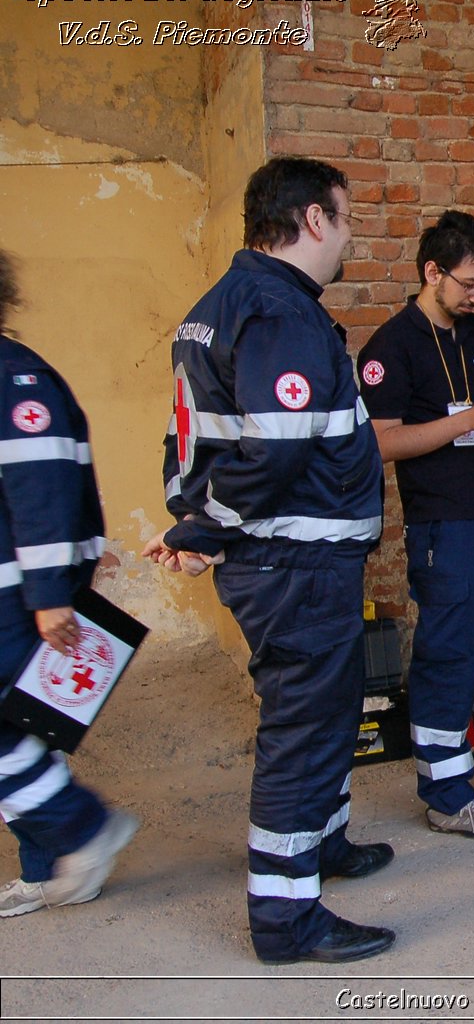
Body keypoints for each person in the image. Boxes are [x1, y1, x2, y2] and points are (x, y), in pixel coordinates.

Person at [142, 157, 394, 963]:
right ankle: (288, 920)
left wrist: (195, 525)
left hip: (294, 557)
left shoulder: (222, 305)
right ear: (314, 221)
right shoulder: (279, 309)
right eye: (345, 219)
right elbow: (271, 451)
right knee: (304, 731)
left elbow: (199, 440)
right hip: (294, 562)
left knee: (327, 712)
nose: (348, 235)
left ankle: (323, 845)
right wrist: (201, 531)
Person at [356, 211, 474, 840]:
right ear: (431, 272)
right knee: (447, 654)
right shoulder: (390, 347)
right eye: (469, 284)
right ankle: (445, 790)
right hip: (443, 524)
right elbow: (383, 444)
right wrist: (470, 421)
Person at [0, 250, 138, 919]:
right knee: (25, 730)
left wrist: (51, 594)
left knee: (15, 732)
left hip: (16, 595)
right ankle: (47, 863)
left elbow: (42, 487)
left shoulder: (16, 378)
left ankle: (81, 829)